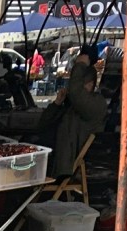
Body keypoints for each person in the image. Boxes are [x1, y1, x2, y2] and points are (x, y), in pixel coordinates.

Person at [38, 45, 108, 177]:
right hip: (50, 160)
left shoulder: (96, 104)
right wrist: (57, 104)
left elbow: (76, 91)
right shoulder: (72, 104)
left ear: (90, 84)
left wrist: (80, 65)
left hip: (66, 167)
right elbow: (42, 124)